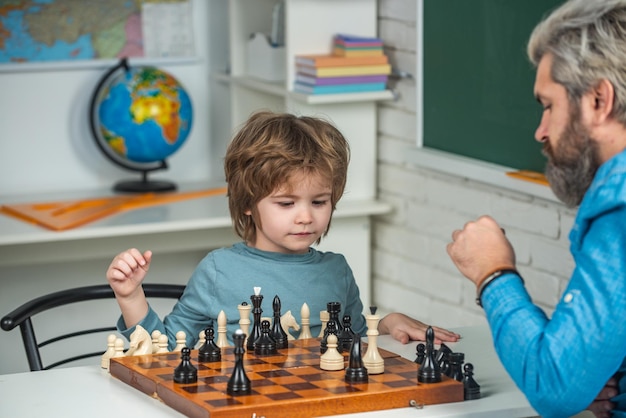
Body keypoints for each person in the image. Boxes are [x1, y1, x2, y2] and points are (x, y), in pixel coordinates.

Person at [107, 111, 460, 353]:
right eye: (286, 204)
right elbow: (163, 349)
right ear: (248, 203)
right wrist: (130, 296)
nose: (305, 217)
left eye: (319, 202)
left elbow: (351, 336)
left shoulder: (335, 269)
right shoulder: (219, 270)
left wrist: (386, 323)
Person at [446, 1, 626, 417]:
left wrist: (493, 272)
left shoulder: (619, 213)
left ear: (599, 99)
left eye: (549, 105)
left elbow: (554, 386)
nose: (540, 130)